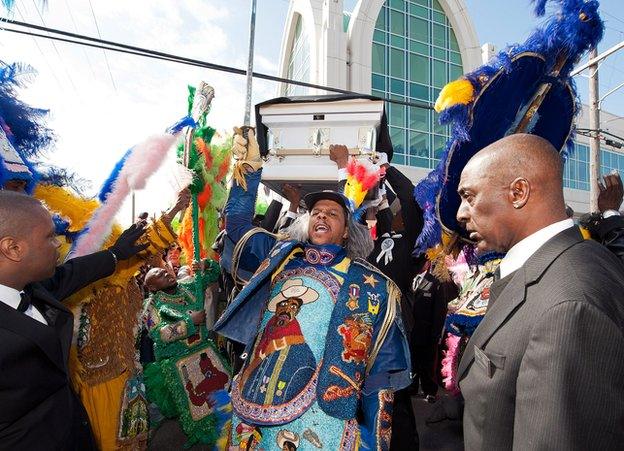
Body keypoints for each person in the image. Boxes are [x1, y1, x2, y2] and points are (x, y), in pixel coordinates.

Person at [214, 129, 411, 450]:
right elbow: (237, 227)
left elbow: (381, 378)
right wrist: (249, 169)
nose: (321, 215)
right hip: (254, 414)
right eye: (315, 212)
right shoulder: (280, 256)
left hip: (323, 425)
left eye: (332, 213)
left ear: (348, 230)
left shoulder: (370, 285)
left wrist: (378, 443)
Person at [455, 134, 624, 450]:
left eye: (469, 196)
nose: (461, 214)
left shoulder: (569, 307)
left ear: (518, 192)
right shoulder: (549, 267)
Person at [0, 191, 148, 450]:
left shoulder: (33, 288)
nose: (58, 244)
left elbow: (71, 274)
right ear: (13, 248)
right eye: (49, 236)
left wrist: (116, 254)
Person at [142, 259, 229, 447]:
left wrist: (206, 265)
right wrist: (190, 322)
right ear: (151, 287)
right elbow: (159, 334)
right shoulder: (151, 307)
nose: (166, 274)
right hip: (178, 361)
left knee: (222, 395)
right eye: (159, 275)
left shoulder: (188, 284)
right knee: (198, 411)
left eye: (165, 271)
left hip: (203, 352)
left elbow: (213, 275)